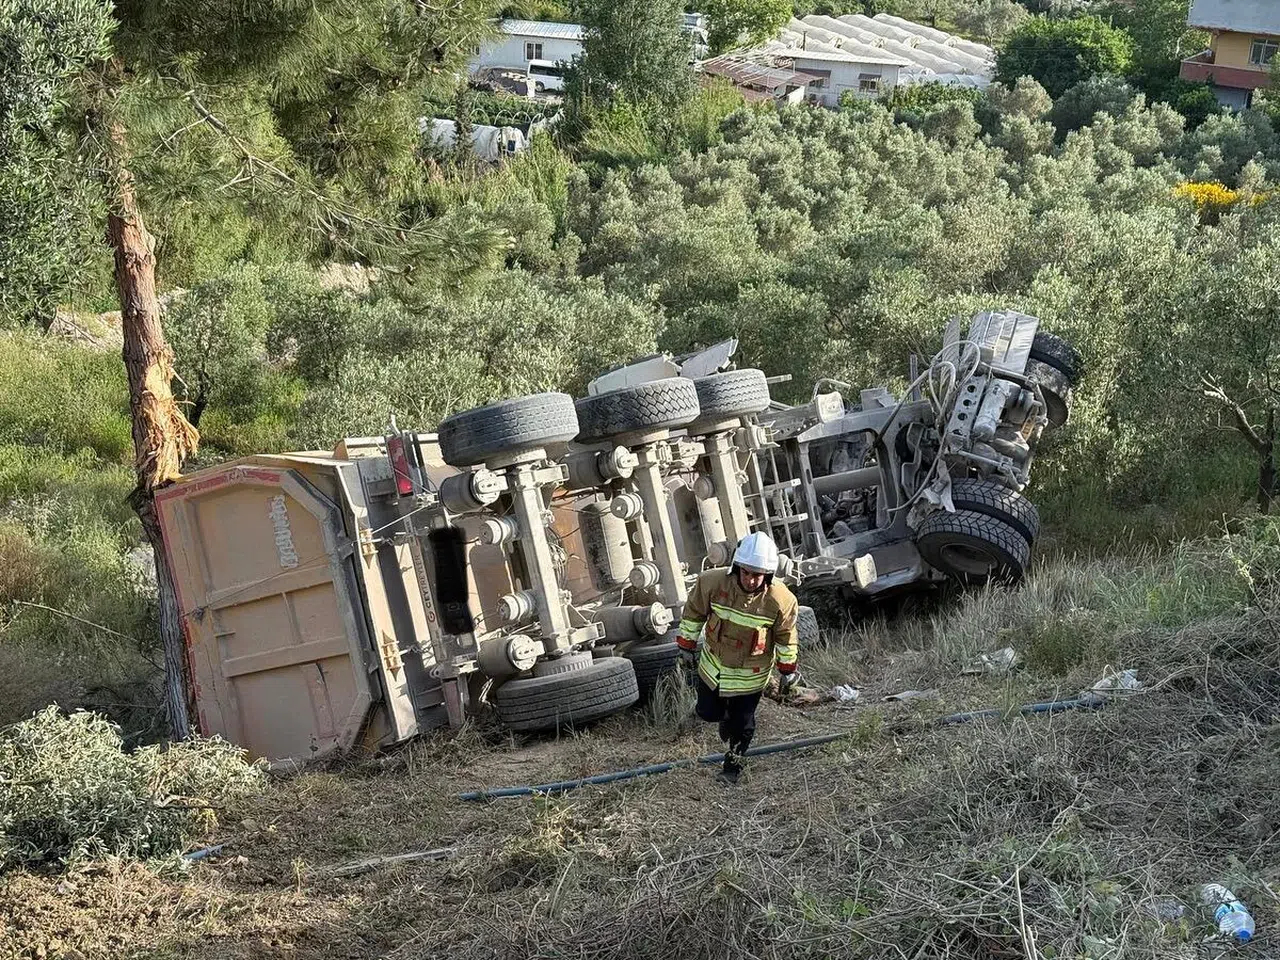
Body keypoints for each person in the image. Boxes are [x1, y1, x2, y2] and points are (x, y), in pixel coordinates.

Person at [674, 532, 800, 784]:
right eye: (746, 572)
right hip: (714, 668)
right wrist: (686, 646)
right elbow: (693, 613)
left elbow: (786, 638)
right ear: (736, 567)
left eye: (758, 574)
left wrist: (787, 671)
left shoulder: (781, 600)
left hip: (749, 677)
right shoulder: (712, 583)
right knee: (708, 713)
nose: (751, 580)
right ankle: (724, 718)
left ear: (768, 574)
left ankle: (732, 768)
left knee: (743, 725)